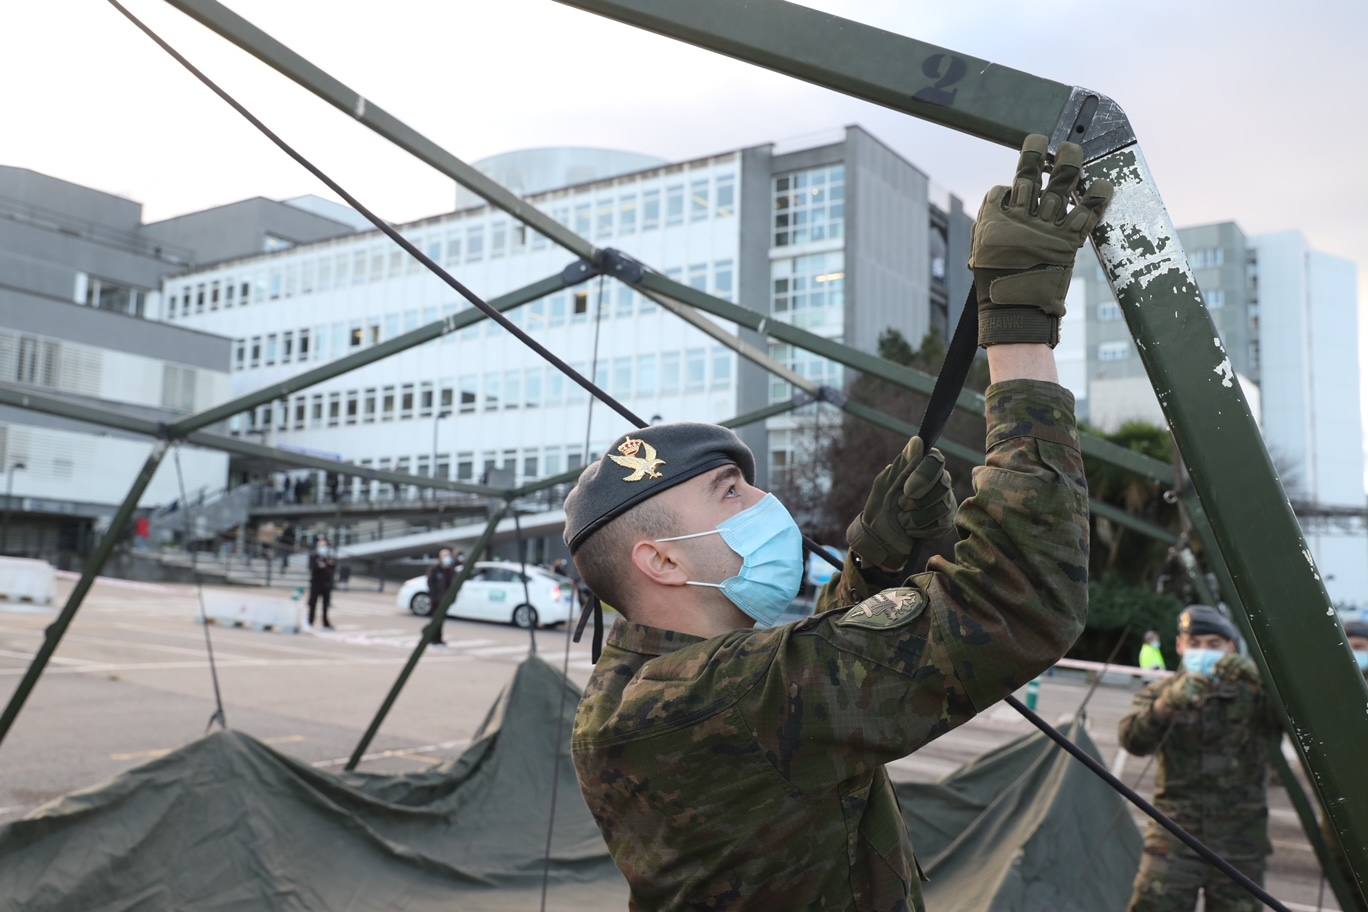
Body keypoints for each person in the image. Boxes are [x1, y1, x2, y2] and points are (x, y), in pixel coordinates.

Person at [562, 135, 1106, 911]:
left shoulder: (653, 686)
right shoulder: (715, 697)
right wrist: (1020, 336)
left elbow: (805, 682)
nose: (762, 504)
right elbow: (1019, 600)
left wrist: (876, 565)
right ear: (663, 561)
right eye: (729, 494)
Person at [1119, 605, 1279, 912]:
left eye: (1214, 645)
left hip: (1240, 839)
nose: (1203, 651)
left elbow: (1297, 724)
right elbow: (1132, 740)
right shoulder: (1163, 692)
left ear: (1231, 648)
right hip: (1175, 833)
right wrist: (1167, 705)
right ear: (1180, 646)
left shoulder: (1254, 693)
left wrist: (1262, 682)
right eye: (1194, 644)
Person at [426, 547, 457, 646]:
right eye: (444, 556)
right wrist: (434, 597)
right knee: (436, 620)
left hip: (445, 600)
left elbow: (452, 585)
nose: (446, 558)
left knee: (441, 620)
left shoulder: (450, 570)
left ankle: (438, 638)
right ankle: (430, 636)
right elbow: (431, 583)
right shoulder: (435, 569)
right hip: (436, 600)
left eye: (448, 556)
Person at [307, 538, 337, 630]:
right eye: (320, 545)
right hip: (316, 583)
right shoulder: (314, 556)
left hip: (326, 584)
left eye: (324, 545)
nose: (322, 547)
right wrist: (321, 564)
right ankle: (310, 621)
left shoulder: (329, 557)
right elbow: (313, 567)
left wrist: (326, 564)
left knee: (325, 605)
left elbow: (332, 568)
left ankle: (325, 622)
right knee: (313, 603)